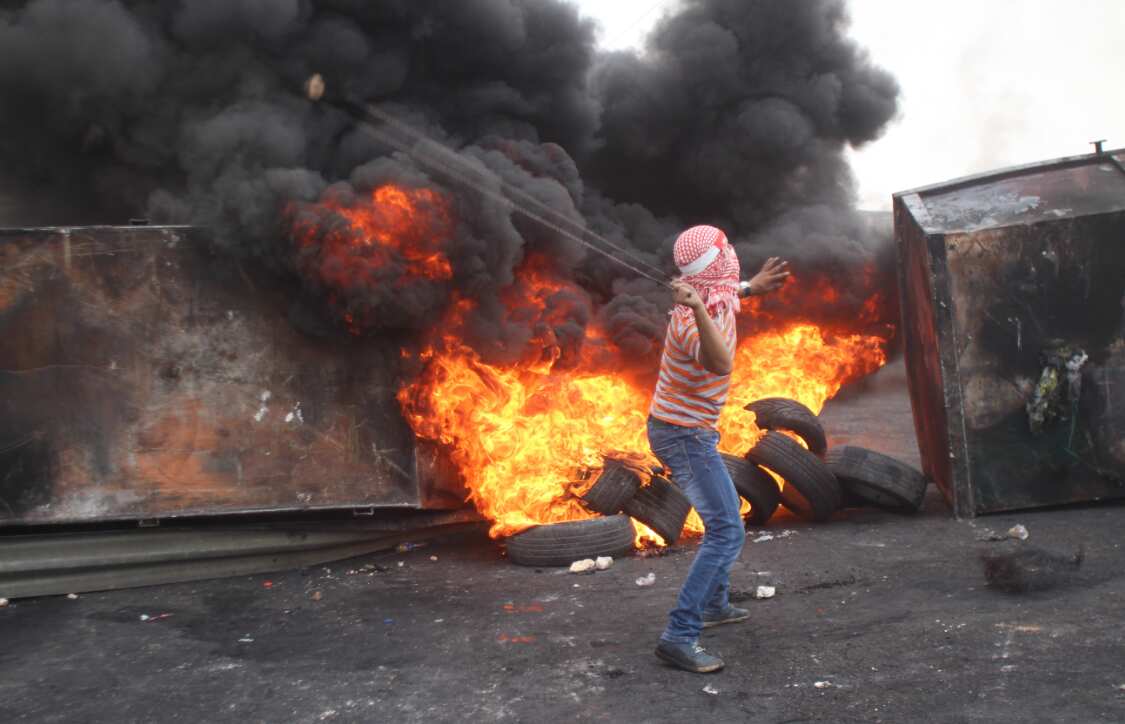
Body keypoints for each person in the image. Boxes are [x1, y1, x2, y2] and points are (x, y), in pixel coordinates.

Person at [649, 224, 789, 673]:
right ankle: (679, 635)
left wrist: (753, 287)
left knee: (722, 520)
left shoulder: (710, 293)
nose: (732, 250)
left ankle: (714, 606)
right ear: (715, 264)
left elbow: (724, 294)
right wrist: (693, 308)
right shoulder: (690, 321)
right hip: (682, 435)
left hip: (692, 431)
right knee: (727, 529)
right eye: (724, 249)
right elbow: (720, 359)